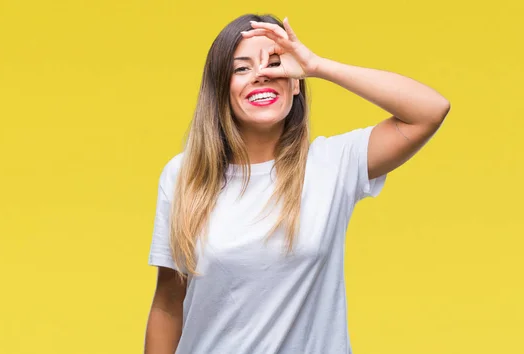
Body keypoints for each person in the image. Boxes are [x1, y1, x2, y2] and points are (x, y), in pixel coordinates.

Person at [144, 13, 450, 354]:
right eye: (241, 68)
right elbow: (168, 303)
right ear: (220, 88)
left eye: (275, 65)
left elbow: (430, 110)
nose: (261, 75)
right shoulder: (185, 175)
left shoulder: (333, 164)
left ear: (295, 83)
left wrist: (317, 65)